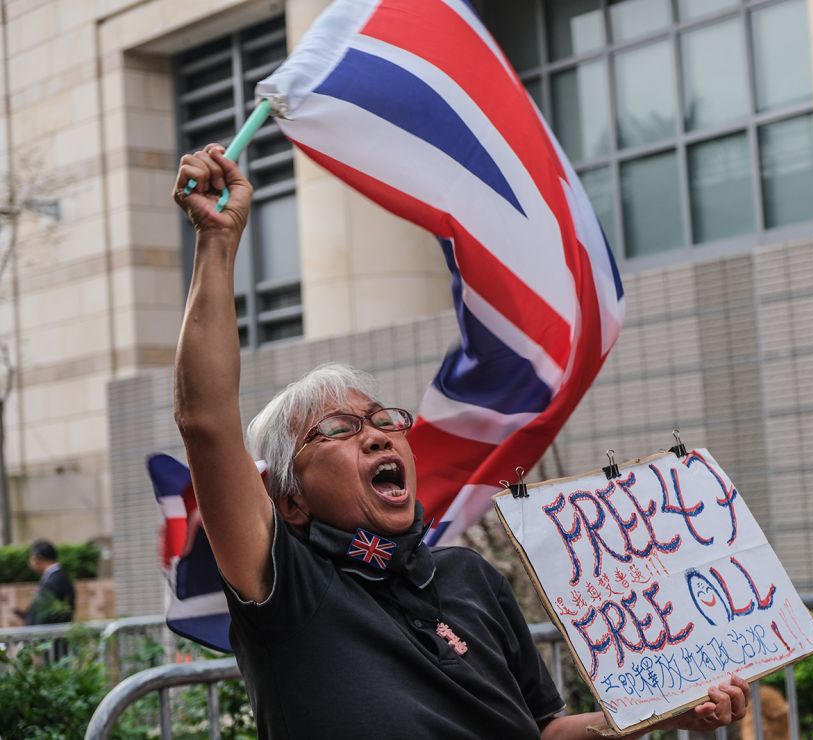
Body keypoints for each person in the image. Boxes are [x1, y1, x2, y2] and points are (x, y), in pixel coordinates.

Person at [172, 143, 751, 739]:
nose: (375, 438)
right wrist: (216, 243)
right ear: (290, 500)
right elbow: (206, 422)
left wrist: (664, 711)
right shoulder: (286, 587)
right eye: (339, 430)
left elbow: (543, 729)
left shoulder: (469, 575)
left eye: (382, 421)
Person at [18, 539, 76, 625]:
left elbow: (44, 615)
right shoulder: (58, 576)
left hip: (50, 635)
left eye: (30, 558)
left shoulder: (53, 581)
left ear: (38, 558)